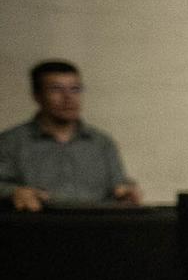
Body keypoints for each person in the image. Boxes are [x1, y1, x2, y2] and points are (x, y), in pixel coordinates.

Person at [1, 60, 141, 210]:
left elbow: (119, 186)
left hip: (96, 228)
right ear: (37, 96)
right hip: (37, 227)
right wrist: (14, 192)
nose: (68, 97)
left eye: (75, 89)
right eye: (56, 89)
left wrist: (127, 193)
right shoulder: (11, 142)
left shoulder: (101, 142)